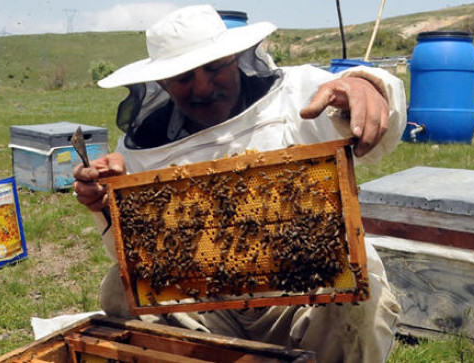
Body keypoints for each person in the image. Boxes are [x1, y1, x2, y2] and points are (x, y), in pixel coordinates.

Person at [74, 5, 406, 362]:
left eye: (214, 68)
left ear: (235, 58)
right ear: (162, 84)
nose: (202, 86)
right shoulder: (141, 150)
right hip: (210, 308)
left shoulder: (298, 95)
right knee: (118, 290)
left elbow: (379, 126)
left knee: (358, 295)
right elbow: (141, 261)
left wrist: (367, 87)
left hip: (307, 298)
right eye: (184, 78)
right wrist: (106, 206)